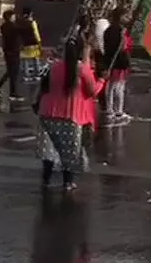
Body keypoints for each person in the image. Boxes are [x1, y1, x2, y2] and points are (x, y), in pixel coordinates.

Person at [35, 38, 104, 191]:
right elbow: (92, 91)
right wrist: (102, 80)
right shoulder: (82, 69)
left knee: (49, 150)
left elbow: (43, 86)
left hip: (47, 113)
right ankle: (68, 182)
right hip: (70, 116)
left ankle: (46, 179)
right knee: (69, 151)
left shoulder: (54, 67)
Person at [102, 8, 132, 122]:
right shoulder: (119, 31)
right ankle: (118, 111)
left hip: (110, 61)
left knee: (111, 86)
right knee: (118, 87)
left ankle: (110, 110)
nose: (128, 19)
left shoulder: (108, 30)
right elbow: (122, 48)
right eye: (126, 16)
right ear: (120, 17)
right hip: (119, 62)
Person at [0, 10, 21, 110]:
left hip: (9, 51)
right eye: (13, 16)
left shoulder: (5, 26)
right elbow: (17, 37)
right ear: (9, 17)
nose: (14, 17)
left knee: (11, 71)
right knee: (13, 72)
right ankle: (11, 93)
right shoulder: (12, 27)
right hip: (13, 51)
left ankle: (2, 88)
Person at [18, 7, 43, 84]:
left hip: (25, 43)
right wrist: (39, 42)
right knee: (35, 59)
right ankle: (37, 75)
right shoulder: (32, 23)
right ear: (30, 14)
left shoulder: (20, 23)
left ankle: (26, 76)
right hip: (33, 43)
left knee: (25, 59)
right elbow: (36, 33)